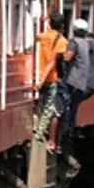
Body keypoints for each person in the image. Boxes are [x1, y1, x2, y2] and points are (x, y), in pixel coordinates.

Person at [60, 18, 94, 178]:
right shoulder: (87, 43)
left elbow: (67, 57)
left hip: (73, 81)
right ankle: (68, 133)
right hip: (82, 83)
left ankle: (65, 135)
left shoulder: (74, 42)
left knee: (67, 108)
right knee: (73, 109)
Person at [37, 12, 69, 151]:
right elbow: (52, 62)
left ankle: (38, 129)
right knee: (50, 107)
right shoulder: (62, 41)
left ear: (50, 23)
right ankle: (39, 132)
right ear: (62, 25)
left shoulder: (41, 36)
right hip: (51, 78)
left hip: (38, 75)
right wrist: (43, 79)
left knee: (41, 104)